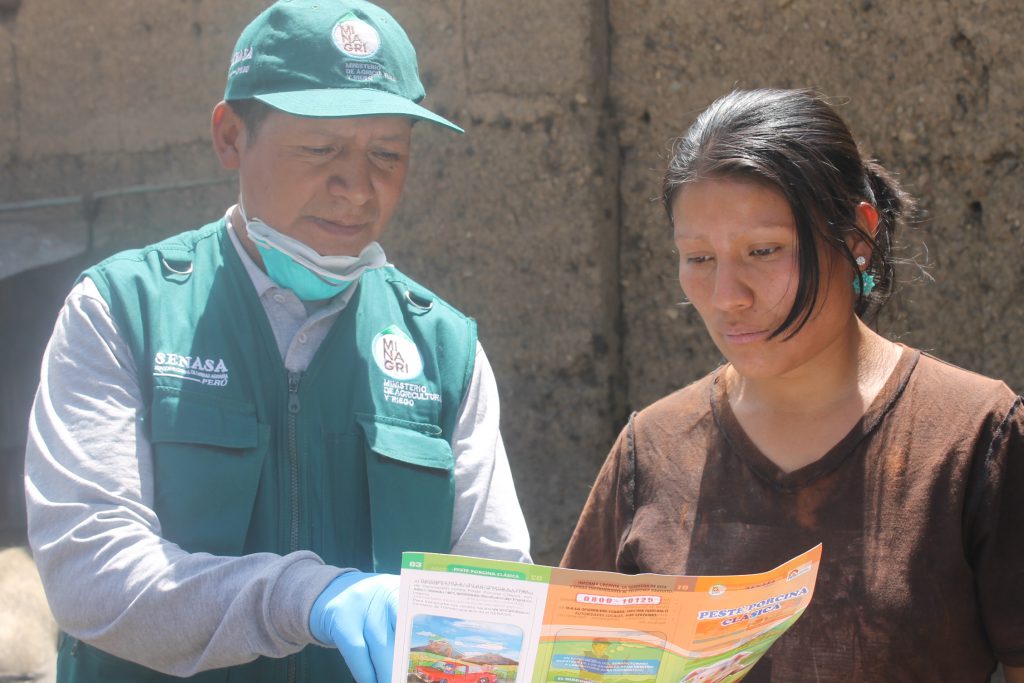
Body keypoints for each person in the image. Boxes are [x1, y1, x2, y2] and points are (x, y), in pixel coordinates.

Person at [24, 2, 531, 682]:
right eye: (322, 149)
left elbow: (496, 587)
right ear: (231, 136)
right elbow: (91, 570)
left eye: (388, 154)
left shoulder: (443, 348)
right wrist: (308, 599)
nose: (357, 188)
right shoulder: (124, 311)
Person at [561, 89, 1023, 682]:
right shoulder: (650, 449)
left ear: (858, 236)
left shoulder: (975, 436)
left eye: (763, 250)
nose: (729, 295)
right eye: (698, 258)